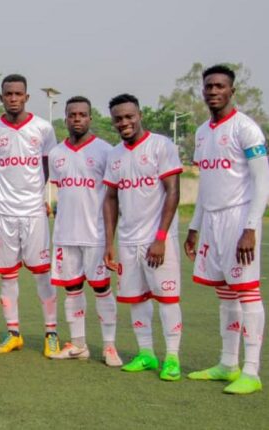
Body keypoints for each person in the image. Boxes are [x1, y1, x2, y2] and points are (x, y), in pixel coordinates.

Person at [184, 64, 268, 394]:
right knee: (225, 294)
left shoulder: (246, 128)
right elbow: (206, 185)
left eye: (220, 86)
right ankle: (228, 364)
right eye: (209, 86)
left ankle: (252, 371)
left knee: (247, 292)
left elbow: (262, 182)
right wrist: (194, 227)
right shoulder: (202, 132)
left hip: (238, 218)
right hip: (212, 221)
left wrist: (251, 227)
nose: (213, 91)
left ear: (232, 90)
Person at [102, 93, 183, 381]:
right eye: (118, 118)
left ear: (139, 115)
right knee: (136, 298)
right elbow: (110, 198)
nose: (124, 122)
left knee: (167, 298)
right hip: (128, 240)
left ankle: (172, 357)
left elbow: (173, 191)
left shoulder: (161, 145)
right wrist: (109, 242)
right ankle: (146, 353)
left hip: (158, 239)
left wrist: (160, 237)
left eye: (129, 116)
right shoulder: (114, 155)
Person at [0, 74, 60, 357]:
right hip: (4, 211)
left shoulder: (43, 128)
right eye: (8, 94)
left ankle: (51, 333)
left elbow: (47, 165)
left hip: (33, 212)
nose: (13, 98)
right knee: (7, 275)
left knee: (42, 274)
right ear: (1, 97)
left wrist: (36, 195)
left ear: (26, 97)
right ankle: (13, 332)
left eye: (18, 94)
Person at [47, 96, 121, 366]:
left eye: (82, 114)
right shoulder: (56, 154)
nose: (77, 119)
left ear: (90, 118)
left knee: (102, 289)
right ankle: (78, 345)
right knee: (72, 289)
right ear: (66, 118)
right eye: (72, 114)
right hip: (65, 235)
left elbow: (113, 198)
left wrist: (110, 239)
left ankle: (109, 346)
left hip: (96, 235)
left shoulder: (106, 151)